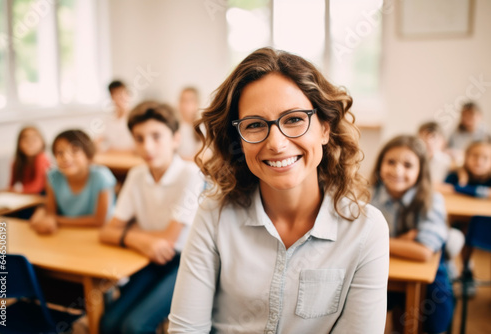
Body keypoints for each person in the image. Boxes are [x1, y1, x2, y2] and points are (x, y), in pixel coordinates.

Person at [168, 47, 390, 333]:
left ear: (324, 127)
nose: (276, 143)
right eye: (255, 125)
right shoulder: (214, 215)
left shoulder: (366, 230)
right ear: (239, 139)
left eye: (294, 119)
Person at [99, 101, 204, 334]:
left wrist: (127, 233)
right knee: (107, 323)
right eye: (139, 138)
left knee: (134, 326)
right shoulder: (137, 174)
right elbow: (107, 232)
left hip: (184, 263)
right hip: (148, 258)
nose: (147, 146)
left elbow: (167, 242)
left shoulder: (191, 175)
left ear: (176, 139)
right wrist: (142, 240)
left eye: (156, 136)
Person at [370, 135, 453, 334]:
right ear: (380, 165)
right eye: (391, 162)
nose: (398, 170)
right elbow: (353, 240)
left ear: (420, 171)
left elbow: (423, 252)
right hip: (379, 268)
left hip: (426, 274)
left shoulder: (431, 200)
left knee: (437, 306)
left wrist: (377, 241)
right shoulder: (368, 195)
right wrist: (403, 243)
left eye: (408, 165)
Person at [30, 129, 116, 234]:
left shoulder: (101, 177)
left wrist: (56, 220)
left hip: (97, 234)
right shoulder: (53, 176)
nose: (66, 157)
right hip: (65, 233)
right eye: (60, 152)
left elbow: (99, 221)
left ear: (88, 155)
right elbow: (51, 213)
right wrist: (43, 215)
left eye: (75, 151)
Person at [441, 140, 491, 294]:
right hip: (459, 225)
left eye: (485, 158)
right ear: (466, 157)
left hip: (485, 227)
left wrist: (460, 188)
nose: (479, 161)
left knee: (472, 227)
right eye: (474, 156)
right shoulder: (456, 174)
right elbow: (442, 188)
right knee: (462, 230)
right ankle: (464, 270)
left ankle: (466, 270)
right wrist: (462, 185)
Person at [8, 125, 51, 194]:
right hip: (27, 196)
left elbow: (37, 187)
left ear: (42, 142)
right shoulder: (16, 162)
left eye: (34, 140)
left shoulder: (42, 159)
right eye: (25, 139)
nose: (30, 143)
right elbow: (11, 185)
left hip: (42, 196)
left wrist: (15, 191)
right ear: (19, 144)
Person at [97, 80, 135, 153]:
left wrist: (111, 150)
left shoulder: (135, 117)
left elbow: (136, 149)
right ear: (111, 97)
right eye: (116, 94)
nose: (121, 97)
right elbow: (99, 140)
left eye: (123, 93)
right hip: (113, 158)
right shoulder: (108, 119)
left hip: (130, 159)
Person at [447, 102, 491, 166]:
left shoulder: (487, 132)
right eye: (465, 115)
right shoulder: (455, 134)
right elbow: (450, 152)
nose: (468, 118)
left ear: (480, 115)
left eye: (471, 114)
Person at [176, 86, 202, 161]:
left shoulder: (203, 127)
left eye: (189, 101)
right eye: (182, 100)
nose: (185, 105)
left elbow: (204, 157)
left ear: (197, 104)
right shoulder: (174, 126)